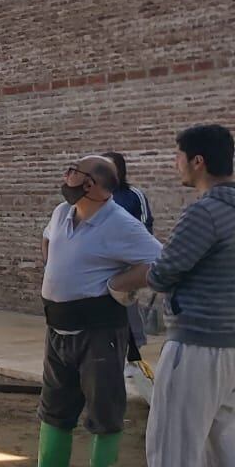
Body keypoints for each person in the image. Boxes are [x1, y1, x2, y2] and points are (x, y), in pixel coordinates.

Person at [108, 125, 235, 467]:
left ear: (197, 161)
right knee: (224, 446)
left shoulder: (204, 212)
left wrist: (121, 281)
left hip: (197, 345)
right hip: (230, 347)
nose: (174, 163)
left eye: (177, 156)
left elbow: (163, 272)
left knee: (173, 447)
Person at [37, 155, 160, 467]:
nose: (66, 178)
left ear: (90, 183)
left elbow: (161, 262)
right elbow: (48, 238)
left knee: (104, 411)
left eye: (73, 172)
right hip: (57, 330)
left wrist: (121, 282)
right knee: (54, 410)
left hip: (99, 332)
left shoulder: (120, 224)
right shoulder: (62, 211)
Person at [101, 151, 155, 397]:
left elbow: (145, 225)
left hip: (126, 261)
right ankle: (112, 354)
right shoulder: (94, 197)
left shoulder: (133, 196)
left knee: (127, 307)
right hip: (102, 262)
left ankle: (134, 355)